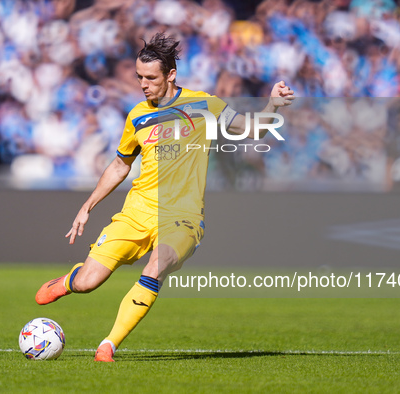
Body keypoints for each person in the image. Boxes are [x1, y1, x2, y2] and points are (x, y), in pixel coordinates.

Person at [35, 32, 295, 362]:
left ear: (170, 75)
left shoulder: (204, 105)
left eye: (151, 78)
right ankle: (70, 281)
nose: (144, 85)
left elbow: (252, 129)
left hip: (182, 217)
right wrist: (87, 206)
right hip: (137, 211)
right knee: (89, 282)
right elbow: (119, 165)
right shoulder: (137, 116)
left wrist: (272, 104)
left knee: (155, 266)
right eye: (139, 78)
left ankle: (108, 345)